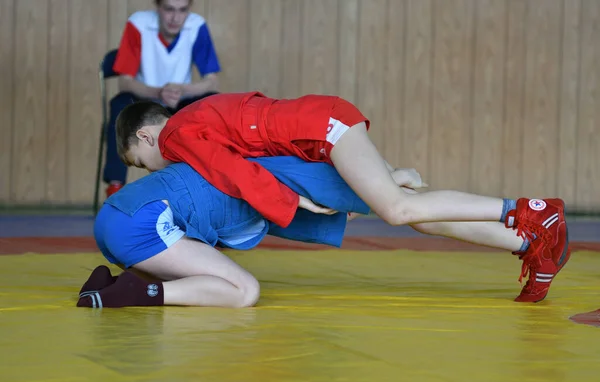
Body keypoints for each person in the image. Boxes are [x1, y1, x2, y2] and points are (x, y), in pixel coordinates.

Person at [112, 92, 571, 302]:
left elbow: (236, 174)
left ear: (148, 137)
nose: (148, 171)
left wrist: (295, 206)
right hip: (316, 136)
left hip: (322, 130)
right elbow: (252, 163)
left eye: (138, 162)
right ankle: (531, 247)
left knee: (397, 208)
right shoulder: (194, 120)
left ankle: (531, 212)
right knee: (416, 212)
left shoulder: (175, 135)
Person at [79, 157, 568, 309]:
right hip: (145, 225)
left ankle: (528, 233)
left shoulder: (207, 154)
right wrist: (394, 180)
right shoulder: (220, 156)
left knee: (406, 205)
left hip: (120, 224)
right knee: (407, 206)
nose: (149, 164)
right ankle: (528, 232)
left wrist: (392, 182)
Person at [102, 0, 220, 198]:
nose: (175, 18)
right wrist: (158, 92)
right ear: (158, 8)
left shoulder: (196, 25)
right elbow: (125, 83)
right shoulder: (138, 24)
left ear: (189, 9)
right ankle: (116, 187)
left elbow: (211, 82)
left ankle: (212, 187)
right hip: (145, 98)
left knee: (213, 105)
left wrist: (184, 89)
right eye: (169, 10)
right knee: (119, 105)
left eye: (182, 10)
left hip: (180, 100)